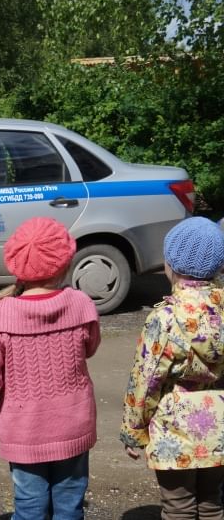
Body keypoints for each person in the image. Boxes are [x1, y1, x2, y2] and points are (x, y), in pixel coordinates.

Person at [0, 217, 101, 520]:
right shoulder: (81, 305)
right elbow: (90, 349)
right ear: (66, 262)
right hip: (74, 424)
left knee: (30, 509)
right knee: (69, 508)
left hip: (24, 430)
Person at [120, 216, 224, 520]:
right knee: (212, 504)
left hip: (174, 431)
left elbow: (146, 378)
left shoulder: (165, 319)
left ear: (171, 266)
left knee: (178, 507)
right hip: (219, 429)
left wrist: (133, 430)